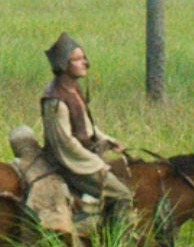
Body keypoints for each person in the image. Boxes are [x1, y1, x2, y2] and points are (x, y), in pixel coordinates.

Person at [41, 32, 133, 224]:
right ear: (63, 64)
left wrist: (107, 140)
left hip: (84, 157)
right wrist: (97, 165)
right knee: (122, 194)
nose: (85, 63)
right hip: (70, 164)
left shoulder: (73, 89)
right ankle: (117, 245)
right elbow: (64, 143)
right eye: (77, 59)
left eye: (84, 58)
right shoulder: (55, 100)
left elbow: (86, 125)